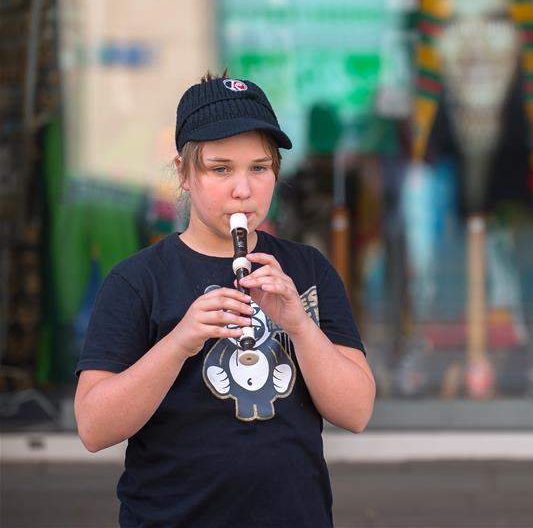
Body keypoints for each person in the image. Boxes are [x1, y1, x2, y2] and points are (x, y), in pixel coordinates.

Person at [74, 73, 375, 527]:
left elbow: (355, 411)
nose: (243, 189)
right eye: (220, 169)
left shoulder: (308, 270)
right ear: (183, 174)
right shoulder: (138, 280)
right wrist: (179, 342)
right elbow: (94, 428)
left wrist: (299, 325)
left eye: (259, 167)